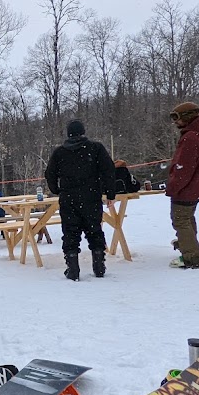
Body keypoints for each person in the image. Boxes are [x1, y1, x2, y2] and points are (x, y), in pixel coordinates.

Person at [44, 119, 116, 281]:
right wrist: (110, 193)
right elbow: (108, 170)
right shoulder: (95, 148)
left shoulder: (60, 152)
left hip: (69, 198)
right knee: (94, 230)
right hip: (91, 196)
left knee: (70, 233)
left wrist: (57, 190)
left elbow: (50, 173)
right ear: (83, 132)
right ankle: (99, 266)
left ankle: (73, 269)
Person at [165, 101, 199, 269]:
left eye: (177, 118)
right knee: (187, 217)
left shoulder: (191, 137)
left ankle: (192, 257)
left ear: (187, 117)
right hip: (198, 185)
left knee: (180, 220)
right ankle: (187, 245)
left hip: (187, 187)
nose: (175, 122)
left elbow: (183, 167)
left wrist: (173, 186)